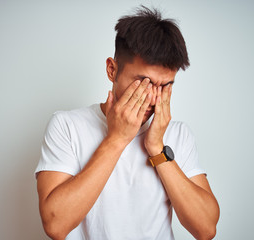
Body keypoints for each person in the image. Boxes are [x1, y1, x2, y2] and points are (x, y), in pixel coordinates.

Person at [35, 6, 220, 240]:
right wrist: (117, 139)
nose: (153, 98)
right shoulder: (66, 125)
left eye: (165, 86)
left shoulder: (178, 134)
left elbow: (206, 229)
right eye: (144, 82)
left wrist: (157, 150)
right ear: (112, 70)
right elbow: (55, 225)